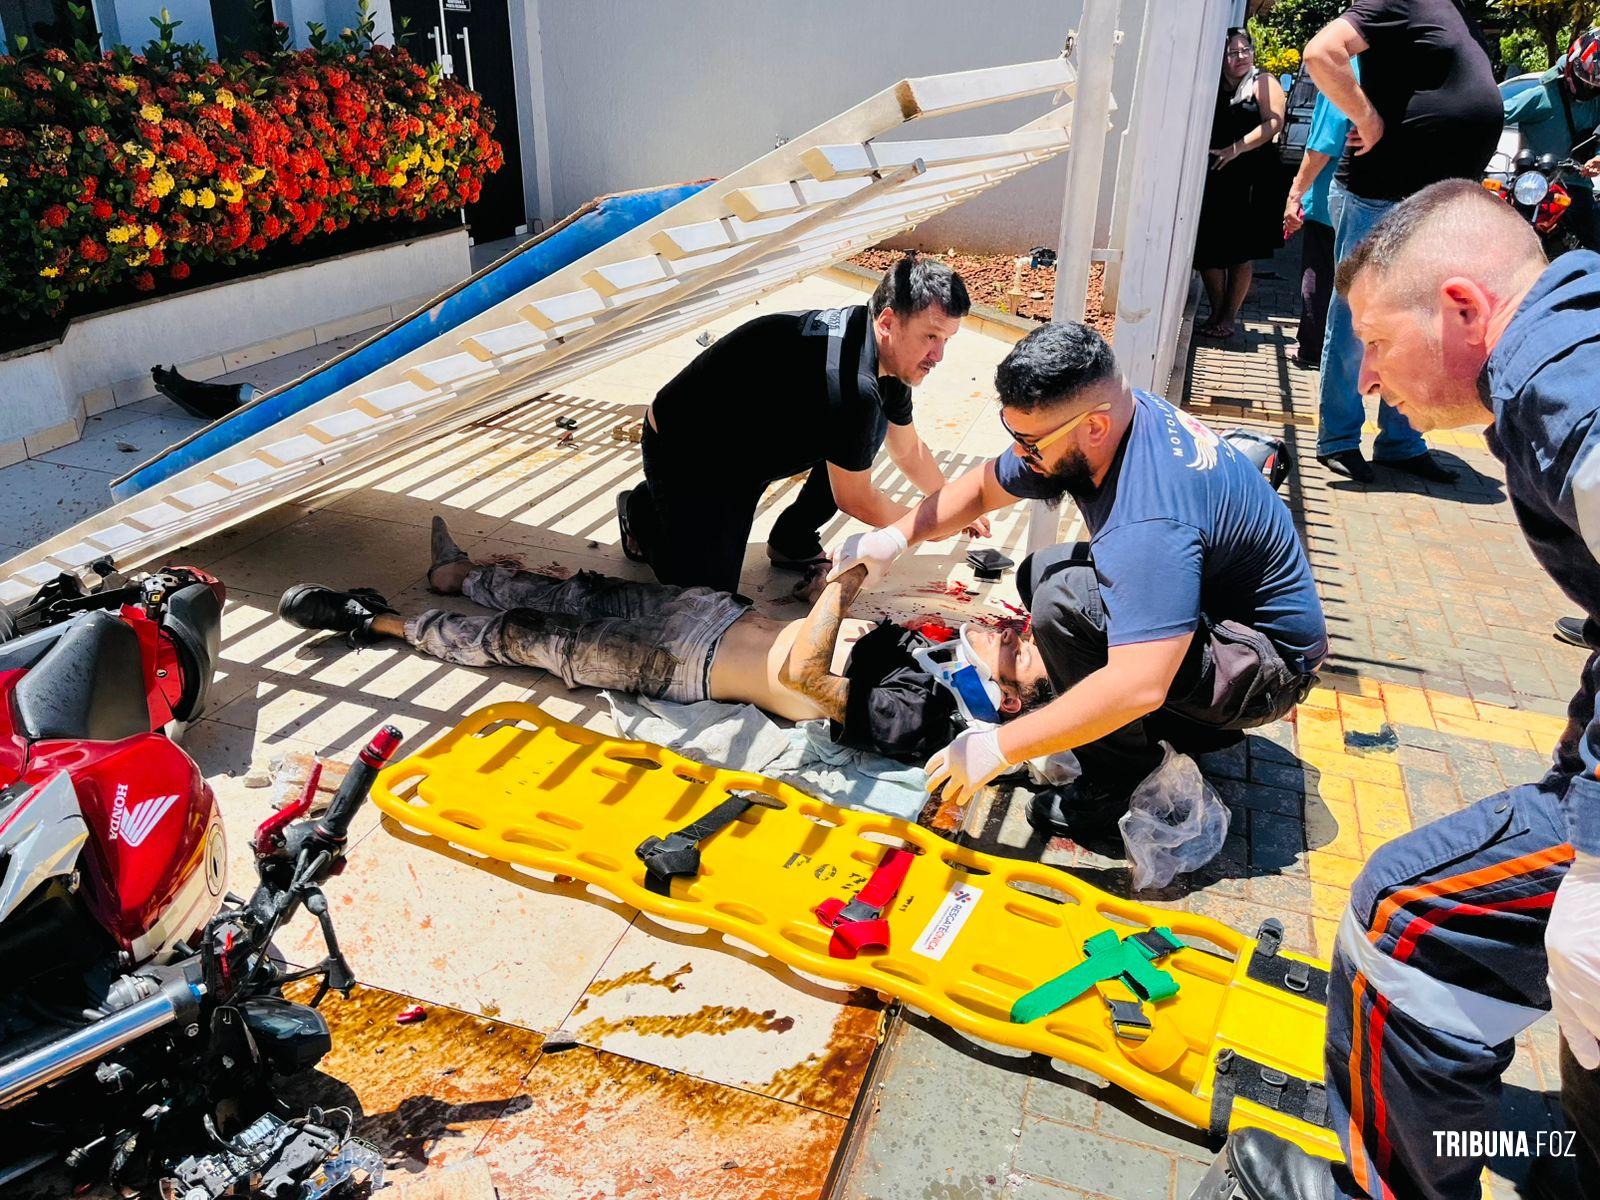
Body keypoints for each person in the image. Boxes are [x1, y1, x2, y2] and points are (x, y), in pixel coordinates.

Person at [1223, 181, 1600, 1200]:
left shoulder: (1558, 381)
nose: (1373, 380)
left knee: (1407, 919)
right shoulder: (1571, 335)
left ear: (1465, 309)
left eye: (1376, 344)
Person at [827, 322, 1328, 830]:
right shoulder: (1113, 422)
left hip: (1266, 670)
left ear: (1093, 427)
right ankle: (1142, 725)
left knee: (1064, 602)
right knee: (1044, 572)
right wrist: (893, 538)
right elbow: (982, 488)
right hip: (1223, 623)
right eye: (1012, 433)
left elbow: (1141, 684)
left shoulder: (1149, 517)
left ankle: (1119, 785)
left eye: (1030, 442)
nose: (1021, 455)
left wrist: (1001, 746)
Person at [275, 519, 1052, 762]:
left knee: (534, 640)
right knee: (570, 590)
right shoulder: (943, 658)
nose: (1008, 626)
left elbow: (815, 678)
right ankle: (456, 575)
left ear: (1009, 697)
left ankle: (371, 621)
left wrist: (845, 581)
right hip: (706, 616)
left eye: (1018, 645)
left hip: (689, 664)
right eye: (1021, 625)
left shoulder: (923, 715)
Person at [617, 253, 986, 596]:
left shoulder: (884, 352)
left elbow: (908, 450)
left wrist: (950, 507)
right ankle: (641, 511)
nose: (938, 356)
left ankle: (791, 540)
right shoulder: (852, 385)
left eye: (946, 340)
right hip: (691, 453)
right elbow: (855, 498)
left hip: (754, 444)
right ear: (888, 322)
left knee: (868, 429)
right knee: (707, 597)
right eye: (931, 337)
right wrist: (925, 528)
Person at [1304, 0, 1501, 483]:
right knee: (1358, 321)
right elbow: (1321, 52)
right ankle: (1339, 438)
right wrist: (1366, 117)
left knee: (1421, 327)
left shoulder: (1455, 10)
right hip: (1380, 196)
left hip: (1428, 203)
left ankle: (1401, 440)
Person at [1194, 27, 1287, 341]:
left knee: (1240, 252)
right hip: (1217, 175)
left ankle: (1228, 317)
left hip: (1251, 178)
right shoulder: (1212, 86)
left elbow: (1273, 123)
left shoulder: (1263, 82)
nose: (1240, 57)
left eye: (1244, 49)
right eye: (1232, 52)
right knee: (1208, 249)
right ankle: (1217, 310)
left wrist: (1237, 148)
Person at [1283, 64, 1357, 369]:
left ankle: (1312, 350)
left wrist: (1295, 193)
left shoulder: (1341, 73)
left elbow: (1323, 144)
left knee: (1319, 273)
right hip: (1368, 198)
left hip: (1331, 194)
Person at [1501, 28, 1600, 254]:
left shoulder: (1596, 103)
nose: (1588, 89)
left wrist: (1597, 158)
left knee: (1594, 242)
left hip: (1575, 187)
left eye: (1594, 87)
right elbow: (1493, 115)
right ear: (1571, 66)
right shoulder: (1540, 95)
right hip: (1531, 186)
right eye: (1585, 83)